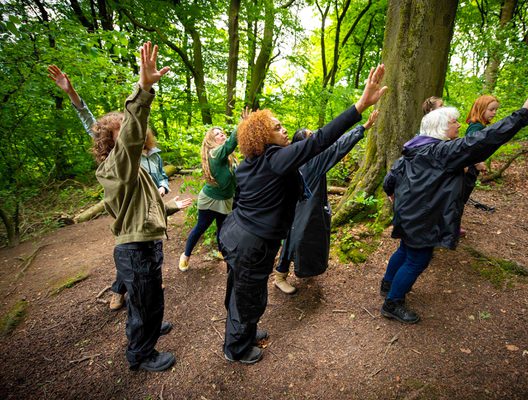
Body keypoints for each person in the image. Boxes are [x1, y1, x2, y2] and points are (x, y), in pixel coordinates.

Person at [218, 65, 387, 364]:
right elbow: (320, 141)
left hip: (235, 234)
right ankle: (237, 349)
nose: (284, 130)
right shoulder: (276, 160)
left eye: (283, 126)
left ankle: (243, 331)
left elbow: (243, 198)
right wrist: (359, 106)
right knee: (249, 295)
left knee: (240, 290)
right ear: (262, 136)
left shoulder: (251, 161)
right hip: (252, 242)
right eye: (277, 127)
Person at [379, 89, 528, 324]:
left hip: (409, 214)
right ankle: (392, 303)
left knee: (405, 250)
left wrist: (391, 194)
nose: (458, 125)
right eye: (454, 122)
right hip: (423, 217)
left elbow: (390, 177)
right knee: (417, 259)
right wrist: (522, 114)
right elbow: (483, 140)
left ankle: (387, 285)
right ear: (441, 128)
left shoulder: (413, 147)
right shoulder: (442, 152)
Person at [94, 41, 192, 371]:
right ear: (114, 142)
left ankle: (149, 327)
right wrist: (143, 89)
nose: (132, 136)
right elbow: (133, 134)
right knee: (144, 300)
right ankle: (141, 354)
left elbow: (142, 208)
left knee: (149, 299)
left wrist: (172, 207)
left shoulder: (131, 170)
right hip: (134, 249)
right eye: (123, 133)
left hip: (144, 244)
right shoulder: (115, 168)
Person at [48, 65, 171, 311]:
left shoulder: (150, 155)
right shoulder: (120, 160)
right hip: (133, 232)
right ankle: (120, 292)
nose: (127, 130)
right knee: (133, 264)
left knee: (147, 276)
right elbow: (93, 126)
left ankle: (146, 307)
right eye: (120, 129)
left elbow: (159, 177)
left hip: (150, 227)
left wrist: (164, 189)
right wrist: (73, 95)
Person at [273, 110, 380, 294]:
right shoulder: (312, 160)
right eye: (311, 136)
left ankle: (297, 270)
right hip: (302, 208)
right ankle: (280, 276)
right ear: (304, 144)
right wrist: (362, 127)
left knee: (298, 238)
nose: (315, 136)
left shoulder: (298, 157)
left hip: (303, 206)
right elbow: (339, 146)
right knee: (295, 240)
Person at [179, 110, 249, 272]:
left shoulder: (229, 157)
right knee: (201, 227)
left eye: (223, 133)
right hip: (210, 200)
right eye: (218, 134)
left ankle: (224, 255)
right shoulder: (215, 152)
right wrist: (242, 124)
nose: (222, 135)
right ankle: (186, 256)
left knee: (223, 228)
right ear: (211, 140)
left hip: (225, 199)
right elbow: (232, 143)